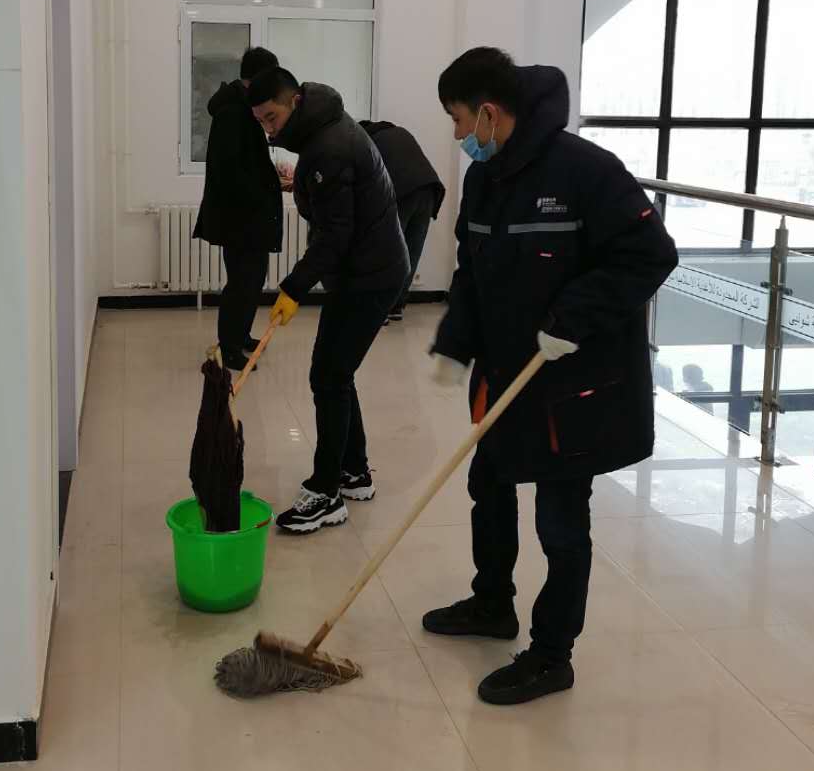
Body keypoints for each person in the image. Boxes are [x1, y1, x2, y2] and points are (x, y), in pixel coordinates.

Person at [426, 47, 677, 705]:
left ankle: (551, 655)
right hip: (506, 375)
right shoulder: (483, 180)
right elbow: (472, 271)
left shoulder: (586, 171)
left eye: (458, 120)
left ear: (488, 112)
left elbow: (651, 254)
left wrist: (572, 316)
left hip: (571, 385)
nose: (458, 135)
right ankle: (492, 602)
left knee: (561, 521)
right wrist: (455, 343)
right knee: (488, 484)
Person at [248, 68, 409, 532]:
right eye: (261, 121)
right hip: (363, 269)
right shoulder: (322, 130)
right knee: (337, 373)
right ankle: (353, 471)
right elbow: (334, 210)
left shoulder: (329, 146)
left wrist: (293, 287)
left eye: (272, 117)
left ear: (295, 101)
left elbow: (335, 234)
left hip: (370, 276)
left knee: (328, 375)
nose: (269, 130)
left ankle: (326, 493)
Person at [193, 46, 283, 370]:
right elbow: (231, 170)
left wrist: (270, 179)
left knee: (252, 279)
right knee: (242, 283)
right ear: (258, 79)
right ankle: (229, 348)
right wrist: (264, 187)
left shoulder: (243, 107)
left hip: (247, 214)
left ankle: (241, 335)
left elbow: (247, 162)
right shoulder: (233, 112)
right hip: (240, 217)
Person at [359, 119, 445, 323]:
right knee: (411, 253)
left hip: (402, 192)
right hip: (429, 190)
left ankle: (380, 309)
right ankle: (396, 306)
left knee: (387, 253)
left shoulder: (367, 142)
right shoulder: (399, 132)